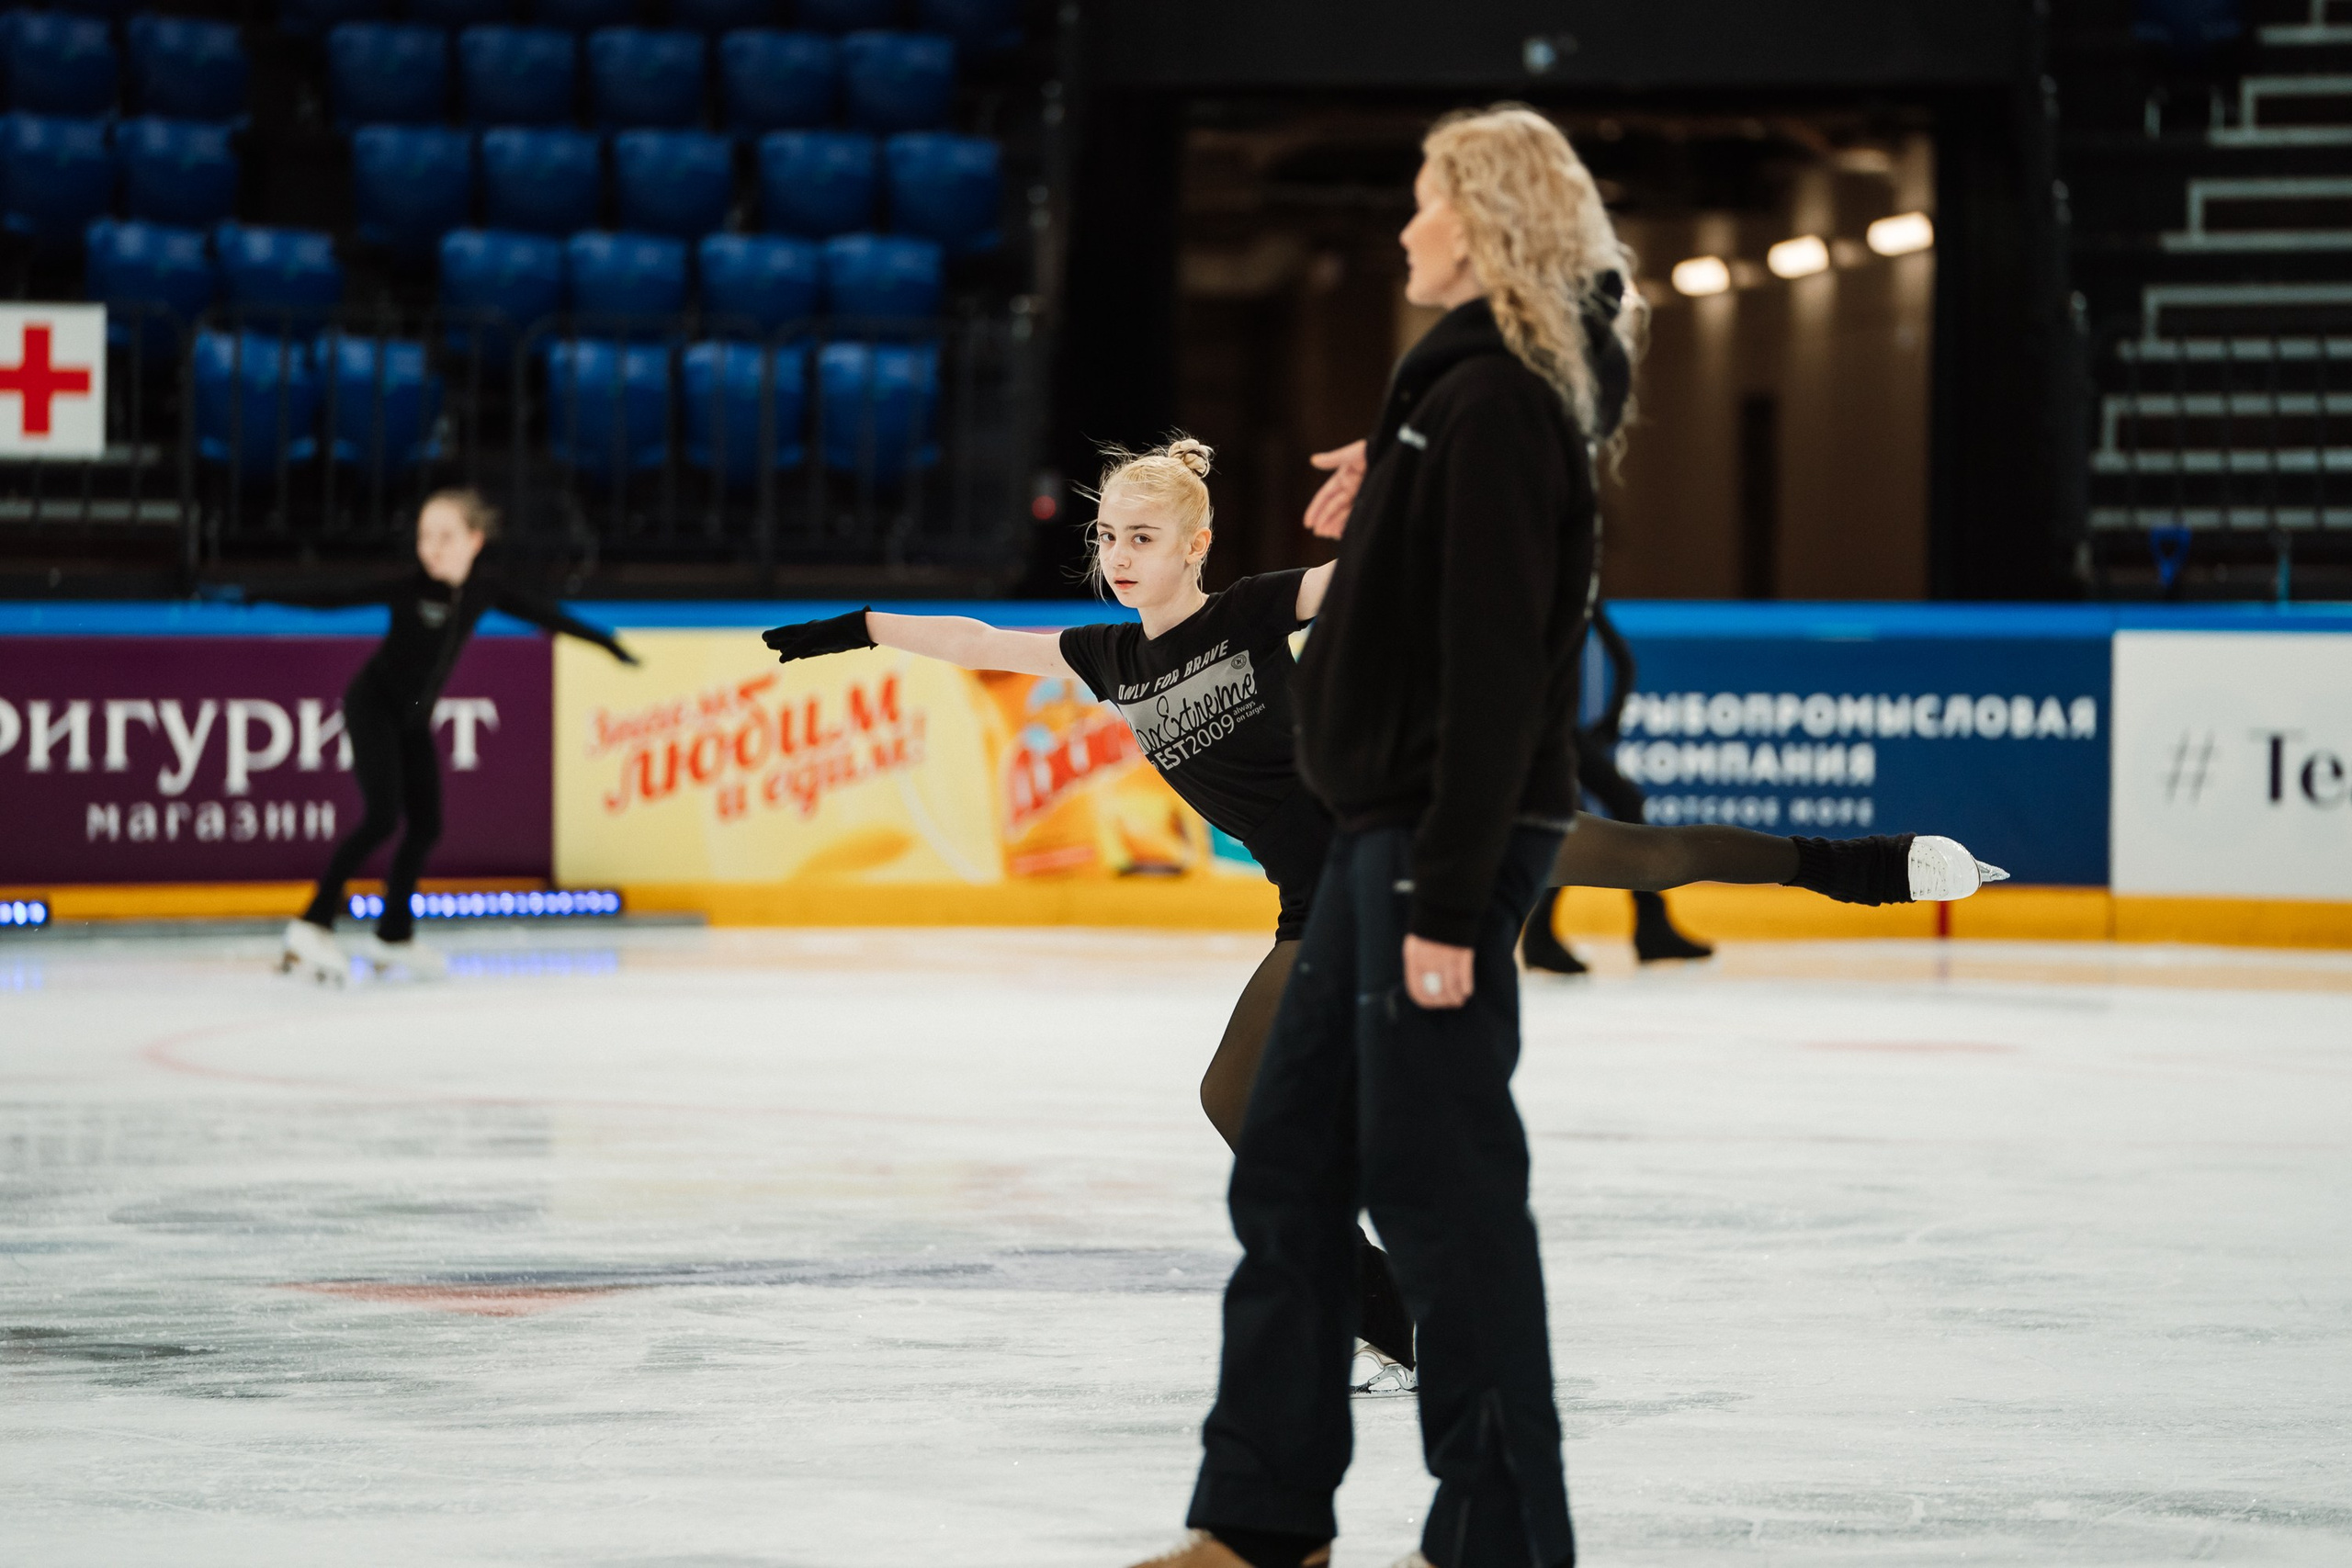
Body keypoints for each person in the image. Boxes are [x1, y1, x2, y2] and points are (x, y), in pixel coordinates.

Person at [760, 437, 2002, 1396]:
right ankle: (1401, 1320)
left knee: (1638, 851)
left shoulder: (1249, 609)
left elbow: (1379, 573)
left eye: (1145, 533)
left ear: (1196, 541)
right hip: (1319, 902)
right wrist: (845, 629)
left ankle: (1868, 864)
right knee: (1235, 1105)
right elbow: (973, 634)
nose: (1120, 553)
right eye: (1108, 535)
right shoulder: (1104, 657)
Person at [1148, 106, 1630, 1568]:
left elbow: (1493, 672)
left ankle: (1499, 1529)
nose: (1405, 226)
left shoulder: (1493, 398)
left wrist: (1443, 894)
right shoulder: (1470, 390)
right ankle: (1261, 1517)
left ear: (1482, 224)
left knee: (1442, 1189)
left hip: (1422, 850)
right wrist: (1398, 478)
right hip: (1376, 840)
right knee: (1285, 1164)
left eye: (1427, 203)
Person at [274, 490, 637, 982]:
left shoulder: (482, 591)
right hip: (373, 707)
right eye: (425, 537)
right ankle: (311, 925)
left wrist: (607, 642)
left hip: (411, 719)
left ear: (474, 540)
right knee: (382, 818)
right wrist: (255, 592)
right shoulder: (409, 588)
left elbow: (544, 615)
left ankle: (393, 936)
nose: (433, 548)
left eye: (445, 537)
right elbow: (332, 599)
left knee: (425, 826)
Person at [1521, 601, 1714, 972]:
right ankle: (1548, 935)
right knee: (1586, 810)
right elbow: (1623, 661)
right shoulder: (1575, 574)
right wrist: (1610, 722)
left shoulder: (1542, 576)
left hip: (1543, 726)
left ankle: (1643, 926)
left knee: (1591, 810)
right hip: (1550, 729)